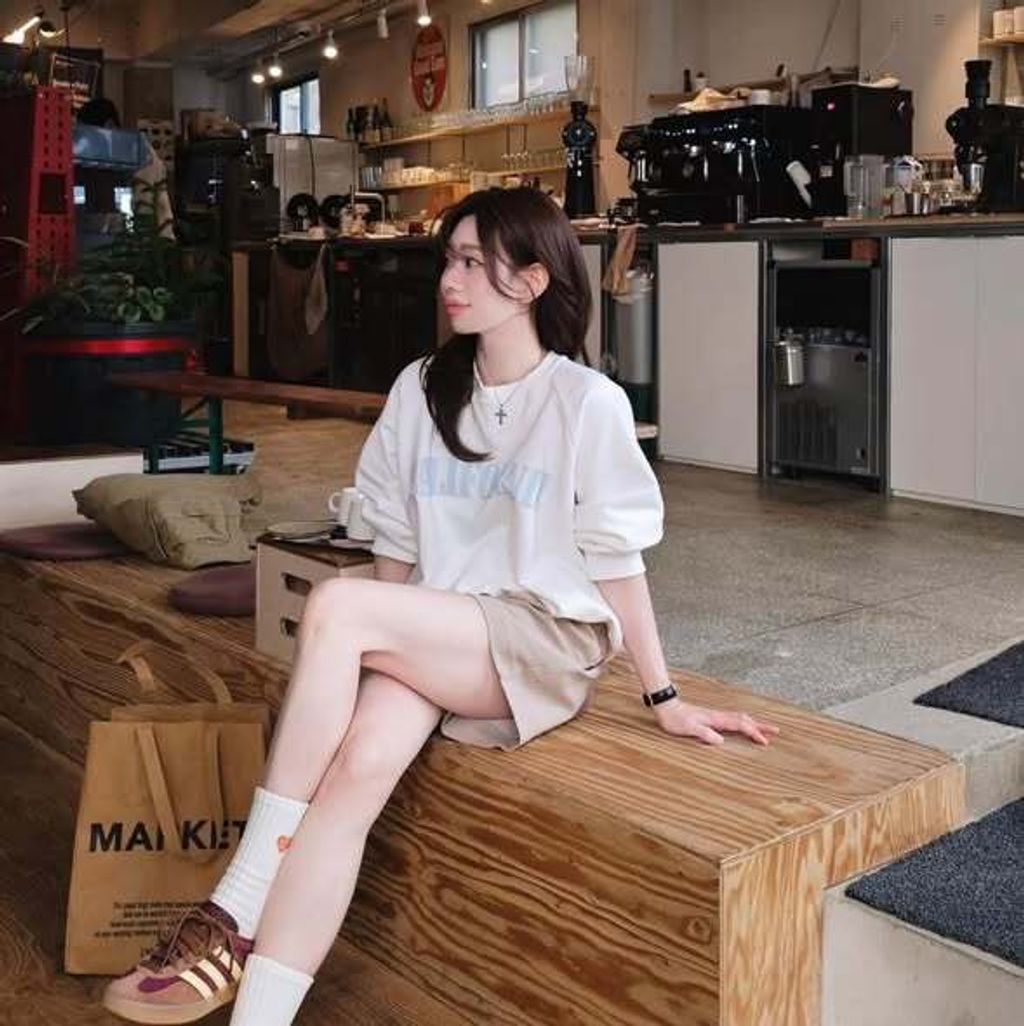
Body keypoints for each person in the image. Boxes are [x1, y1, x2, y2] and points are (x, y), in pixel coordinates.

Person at [101, 187, 778, 1026]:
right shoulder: (422, 388)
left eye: (471, 263)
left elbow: (617, 561)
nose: (449, 281)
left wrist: (663, 696)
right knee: (354, 772)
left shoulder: (585, 401)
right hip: (443, 629)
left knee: (337, 607)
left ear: (532, 280)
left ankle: (240, 896)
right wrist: (390, 655)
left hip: (542, 640)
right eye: (447, 261)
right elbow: (394, 538)